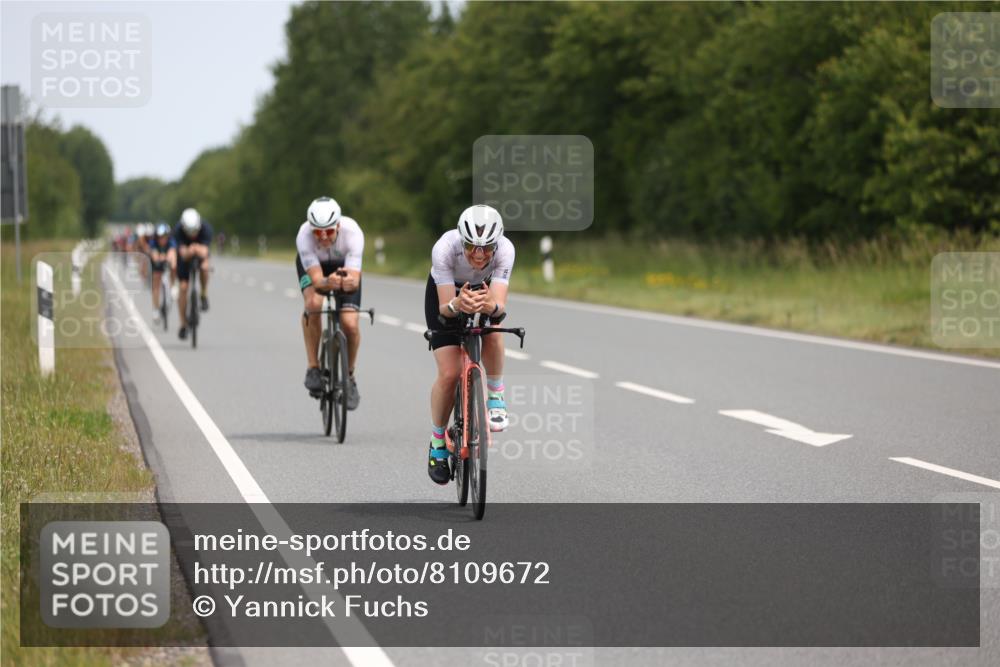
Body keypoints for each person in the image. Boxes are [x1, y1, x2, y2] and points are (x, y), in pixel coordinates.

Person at [424, 204, 514, 485]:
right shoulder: (444, 249)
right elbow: (444, 308)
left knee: (494, 331)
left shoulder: (506, 250)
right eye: (471, 246)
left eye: (487, 248)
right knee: (450, 372)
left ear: (496, 244)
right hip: (447, 294)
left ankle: (496, 396)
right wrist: (457, 304)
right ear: (461, 240)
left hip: (482, 291)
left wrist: (490, 306)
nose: (479, 254)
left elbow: (499, 307)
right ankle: (438, 441)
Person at [296, 197, 364, 409]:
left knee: (350, 323)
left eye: (329, 230)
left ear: (338, 226)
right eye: (317, 231)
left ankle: (349, 377)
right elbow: (317, 281)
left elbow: (354, 280)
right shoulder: (304, 236)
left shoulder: (353, 233)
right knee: (313, 305)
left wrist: (345, 282)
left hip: (343, 266)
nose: (323, 236)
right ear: (311, 229)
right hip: (315, 268)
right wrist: (327, 282)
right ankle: (313, 367)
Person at [172, 208, 213, 340]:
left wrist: (194, 249)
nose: (192, 235)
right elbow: (183, 254)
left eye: (195, 231)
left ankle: (203, 294)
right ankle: (183, 324)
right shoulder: (177, 230)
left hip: (199, 254)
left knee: (205, 267)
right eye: (189, 232)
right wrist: (192, 250)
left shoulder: (206, 228)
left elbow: (205, 252)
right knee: (183, 287)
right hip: (184, 258)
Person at [149, 223, 175, 326]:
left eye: (164, 237)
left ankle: (173, 286)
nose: (162, 239)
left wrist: (168, 258)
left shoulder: (171, 242)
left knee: (174, 266)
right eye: (160, 237)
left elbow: (172, 253)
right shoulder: (153, 242)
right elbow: (154, 255)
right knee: (156, 281)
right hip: (157, 262)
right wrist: (158, 259)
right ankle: (155, 309)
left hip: (167, 260)